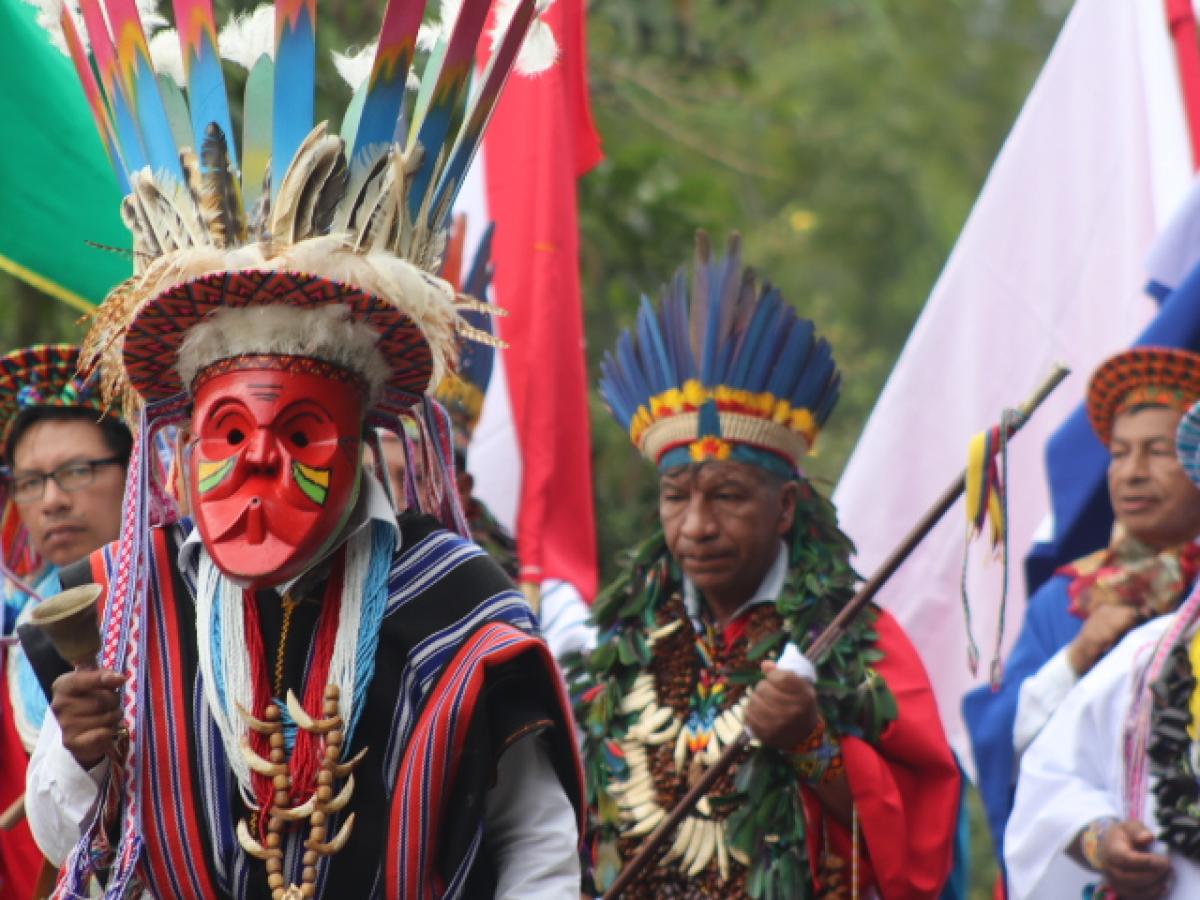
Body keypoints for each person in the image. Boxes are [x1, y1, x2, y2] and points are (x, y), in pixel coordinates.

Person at [23, 3, 582, 897]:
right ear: (186, 440)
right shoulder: (131, 598)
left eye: (298, 432)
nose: (257, 463)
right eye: (228, 433)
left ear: (358, 441)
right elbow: (63, 837)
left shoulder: (454, 604)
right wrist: (82, 751)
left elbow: (537, 847)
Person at [572, 233, 961, 898]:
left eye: (727, 495)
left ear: (784, 507)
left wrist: (813, 744)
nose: (697, 525)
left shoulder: (861, 644)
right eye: (676, 497)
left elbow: (921, 855)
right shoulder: (623, 646)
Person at [963, 346, 1200, 867]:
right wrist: (1077, 656)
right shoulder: (1066, 600)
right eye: (1119, 453)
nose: (1132, 472)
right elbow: (1003, 742)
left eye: (1158, 451)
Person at [376, 217, 596, 663]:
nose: (396, 501)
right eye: (377, 478)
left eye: (416, 479)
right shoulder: (333, 589)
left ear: (461, 490)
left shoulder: (548, 608)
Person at [0, 344, 130, 900]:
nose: (50, 501)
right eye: (30, 481)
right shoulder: (11, 632)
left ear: (135, 469)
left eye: (76, 471)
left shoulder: (186, 607)